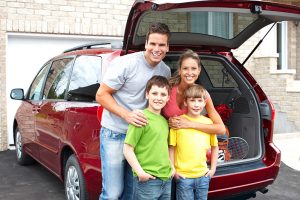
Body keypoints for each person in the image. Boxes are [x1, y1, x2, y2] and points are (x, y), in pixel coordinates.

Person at [95, 22, 171, 200]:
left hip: (141, 139)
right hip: (115, 133)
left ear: (167, 47)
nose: (156, 49)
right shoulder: (125, 64)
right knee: (113, 194)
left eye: (161, 45)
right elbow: (101, 95)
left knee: (132, 193)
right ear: (146, 43)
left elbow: (162, 101)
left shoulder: (165, 71)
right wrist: (126, 115)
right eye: (152, 43)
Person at [123, 76, 173, 200]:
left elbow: (163, 147)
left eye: (163, 94)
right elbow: (127, 149)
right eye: (154, 93)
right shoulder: (141, 118)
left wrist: (172, 167)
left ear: (168, 98)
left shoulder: (164, 121)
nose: (158, 98)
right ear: (147, 95)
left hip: (166, 179)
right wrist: (140, 173)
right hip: (148, 180)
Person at [169, 84, 219, 200]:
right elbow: (172, 148)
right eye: (192, 100)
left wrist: (213, 169)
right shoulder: (178, 122)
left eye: (199, 100)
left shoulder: (209, 123)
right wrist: (173, 169)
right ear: (186, 102)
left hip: (203, 176)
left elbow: (215, 146)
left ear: (205, 102)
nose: (196, 104)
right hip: (184, 177)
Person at [162, 49, 226, 135]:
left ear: (199, 71)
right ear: (180, 70)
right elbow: (155, 113)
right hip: (167, 138)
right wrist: (167, 121)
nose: (189, 73)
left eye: (193, 69)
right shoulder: (167, 88)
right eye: (185, 68)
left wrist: (189, 124)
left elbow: (221, 129)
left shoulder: (202, 93)